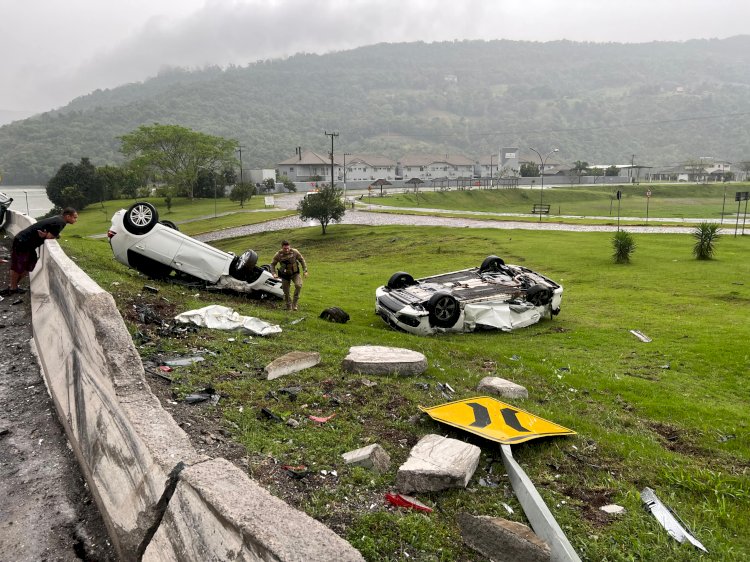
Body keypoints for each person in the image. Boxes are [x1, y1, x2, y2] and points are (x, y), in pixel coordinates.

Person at [3, 207, 78, 295]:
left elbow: (51, 234)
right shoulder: (60, 222)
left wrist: (52, 235)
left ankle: (13, 286)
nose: (75, 220)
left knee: (30, 264)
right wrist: (52, 235)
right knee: (18, 265)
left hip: (27, 243)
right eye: (74, 217)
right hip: (23, 242)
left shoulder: (58, 219)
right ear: (68, 216)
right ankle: (12, 287)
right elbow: (50, 236)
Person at [271, 240, 308, 310]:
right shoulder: (278, 255)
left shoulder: (295, 252)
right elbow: (272, 264)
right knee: (286, 291)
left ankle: (294, 304)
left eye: (288, 248)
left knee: (298, 285)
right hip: (285, 275)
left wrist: (305, 270)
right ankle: (288, 306)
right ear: (282, 248)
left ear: (290, 247)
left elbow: (302, 260)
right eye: (285, 248)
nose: (287, 250)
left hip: (295, 273)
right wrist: (274, 273)